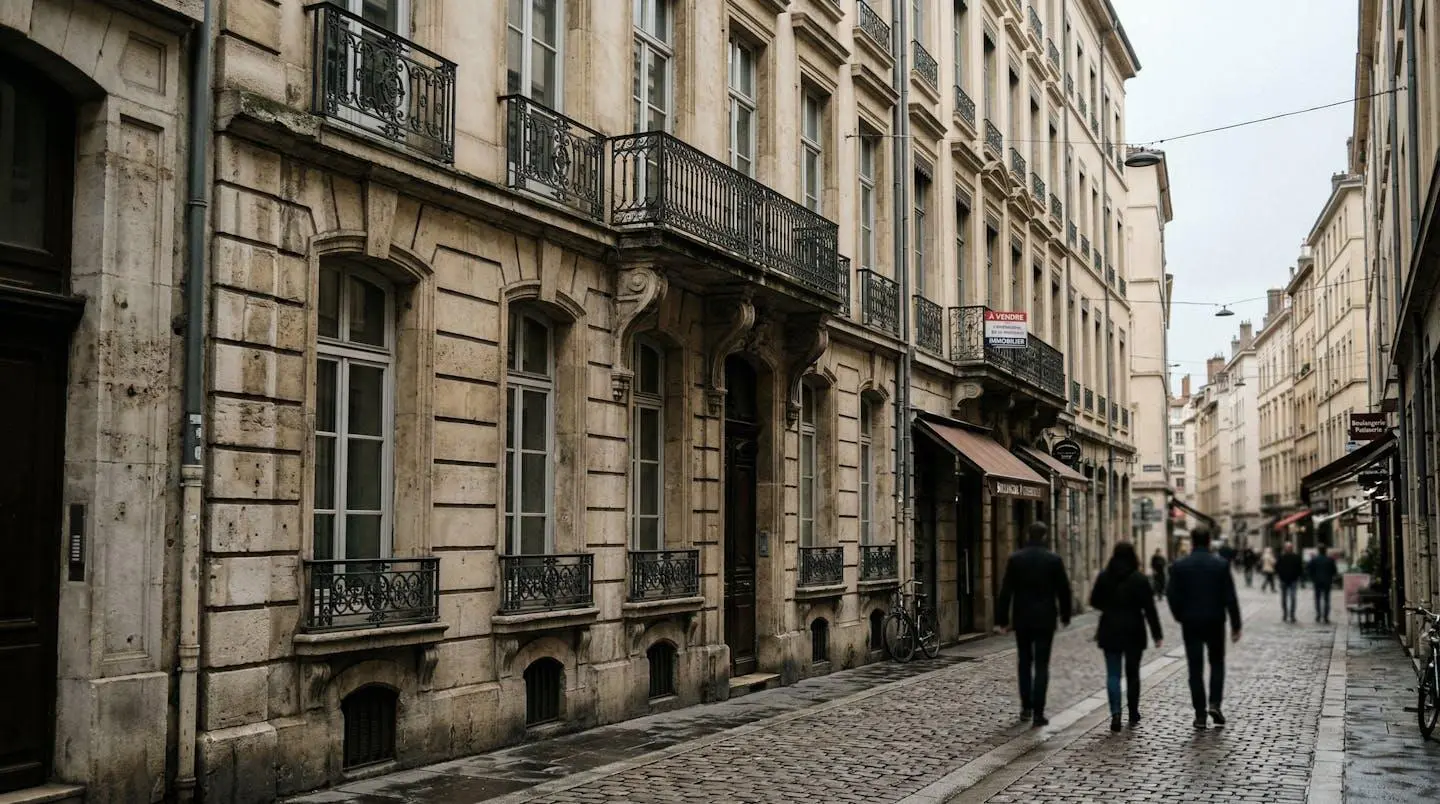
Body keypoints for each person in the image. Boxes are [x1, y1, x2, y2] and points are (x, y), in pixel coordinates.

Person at [995, 521, 1074, 728]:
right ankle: (1039, 712)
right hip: (1045, 619)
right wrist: (1066, 615)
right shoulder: (1053, 560)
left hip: (1022, 619)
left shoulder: (1016, 559)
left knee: (1024, 663)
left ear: (1028, 534)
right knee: (1041, 665)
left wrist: (1001, 619)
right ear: (1045, 536)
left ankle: (1026, 708)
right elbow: (1063, 590)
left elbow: (1006, 591)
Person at [1166, 525, 1242, 729]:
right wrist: (1236, 625)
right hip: (1215, 620)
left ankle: (1200, 713)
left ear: (1192, 542)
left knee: (1195, 667)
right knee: (1217, 663)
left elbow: (1171, 595)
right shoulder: (1220, 565)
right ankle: (1215, 703)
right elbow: (1230, 597)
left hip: (1190, 622)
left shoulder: (1180, 566)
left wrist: (1179, 615)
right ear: (1209, 541)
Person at [1091, 542, 1164, 732]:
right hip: (1134, 630)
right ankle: (1133, 711)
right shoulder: (1139, 579)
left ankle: (1116, 714)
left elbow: (1094, 601)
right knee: (1133, 674)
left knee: (1113, 674)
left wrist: (1109, 607)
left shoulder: (1105, 577)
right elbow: (1149, 609)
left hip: (1110, 629)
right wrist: (1157, 634)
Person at [1308, 544, 1339, 624]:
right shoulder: (1330, 560)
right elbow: (1334, 571)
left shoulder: (1314, 560)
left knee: (1317, 599)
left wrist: (1313, 578)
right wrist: (1330, 577)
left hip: (1317, 582)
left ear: (1318, 551)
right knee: (1326, 599)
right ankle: (1326, 617)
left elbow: (1309, 570)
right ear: (1325, 551)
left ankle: (1318, 615)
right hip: (1327, 581)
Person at [1276, 541, 1304, 622]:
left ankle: (1292, 615)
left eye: (1289, 547)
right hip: (1284, 580)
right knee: (1284, 598)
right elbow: (1277, 568)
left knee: (1293, 598)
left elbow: (1300, 568)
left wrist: (1297, 577)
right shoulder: (1281, 557)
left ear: (1292, 548)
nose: (1288, 549)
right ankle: (1285, 614)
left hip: (1293, 581)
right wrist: (1281, 576)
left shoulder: (1296, 557)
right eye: (1287, 547)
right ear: (1285, 548)